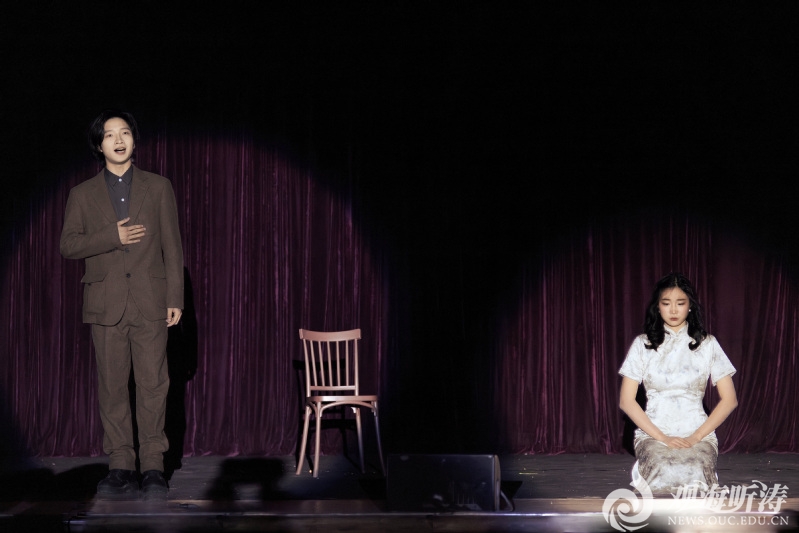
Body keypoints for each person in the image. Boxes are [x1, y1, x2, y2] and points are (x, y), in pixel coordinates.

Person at [60, 110, 184, 500]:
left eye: (125, 132)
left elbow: (172, 246)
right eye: (110, 134)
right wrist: (111, 236)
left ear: (133, 140)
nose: (118, 140)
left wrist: (175, 298)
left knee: (153, 386)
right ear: (99, 145)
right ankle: (120, 466)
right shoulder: (81, 194)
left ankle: (153, 466)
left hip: (150, 302)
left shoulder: (159, 186)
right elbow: (68, 245)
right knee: (112, 388)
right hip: (106, 304)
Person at [618, 273, 737, 494]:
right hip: (654, 433)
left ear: (690, 306)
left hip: (697, 433)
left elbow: (730, 400)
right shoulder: (642, 344)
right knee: (663, 467)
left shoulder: (708, 344)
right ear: (658, 307)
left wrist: (696, 437)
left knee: (694, 468)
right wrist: (662, 438)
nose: (673, 310)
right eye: (666, 303)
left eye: (680, 303)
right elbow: (626, 401)